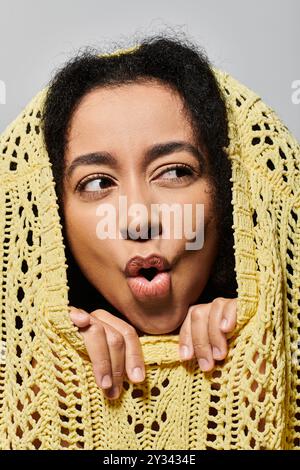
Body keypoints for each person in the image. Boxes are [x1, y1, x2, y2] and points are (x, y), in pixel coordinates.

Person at [0, 34, 299, 450]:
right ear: (51, 212)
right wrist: (45, 380)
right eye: (98, 182)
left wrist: (261, 353)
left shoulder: (281, 364)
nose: (138, 218)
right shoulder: (19, 380)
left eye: (175, 172)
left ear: (231, 192)